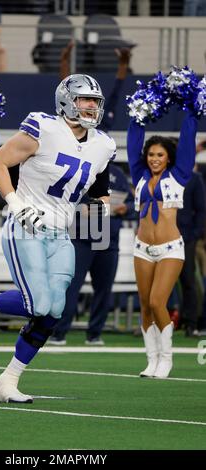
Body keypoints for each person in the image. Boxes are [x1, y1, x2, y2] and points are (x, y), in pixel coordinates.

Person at [0, 74, 116, 403]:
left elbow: (100, 194)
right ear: (67, 100)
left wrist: (99, 210)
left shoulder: (103, 145)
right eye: (85, 100)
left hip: (61, 233)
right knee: (37, 304)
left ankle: (8, 381)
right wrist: (16, 205)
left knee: (54, 311)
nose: (91, 107)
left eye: (95, 102)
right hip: (25, 225)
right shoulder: (43, 127)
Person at [127, 111, 198, 379]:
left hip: (170, 249)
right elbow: (134, 141)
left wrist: (190, 113)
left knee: (158, 301)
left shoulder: (179, 175)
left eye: (159, 155)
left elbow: (188, 140)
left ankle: (166, 358)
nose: (154, 159)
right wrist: (138, 116)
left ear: (169, 157)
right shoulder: (139, 175)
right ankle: (151, 360)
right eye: (151, 155)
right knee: (145, 305)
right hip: (142, 248)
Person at [49, 162, 134, 345]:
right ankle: (59, 332)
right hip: (80, 237)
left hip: (108, 240)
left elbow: (132, 203)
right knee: (70, 286)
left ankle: (95, 333)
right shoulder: (79, 167)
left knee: (104, 289)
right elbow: (65, 200)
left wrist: (126, 208)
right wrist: (89, 209)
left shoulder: (118, 174)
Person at [177, 165, 206, 337]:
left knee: (188, 280)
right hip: (160, 237)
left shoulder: (194, 178)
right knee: (157, 283)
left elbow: (201, 209)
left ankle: (191, 324)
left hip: (185, 238)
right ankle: (155, 324)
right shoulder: (160, 175)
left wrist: (194, 234)